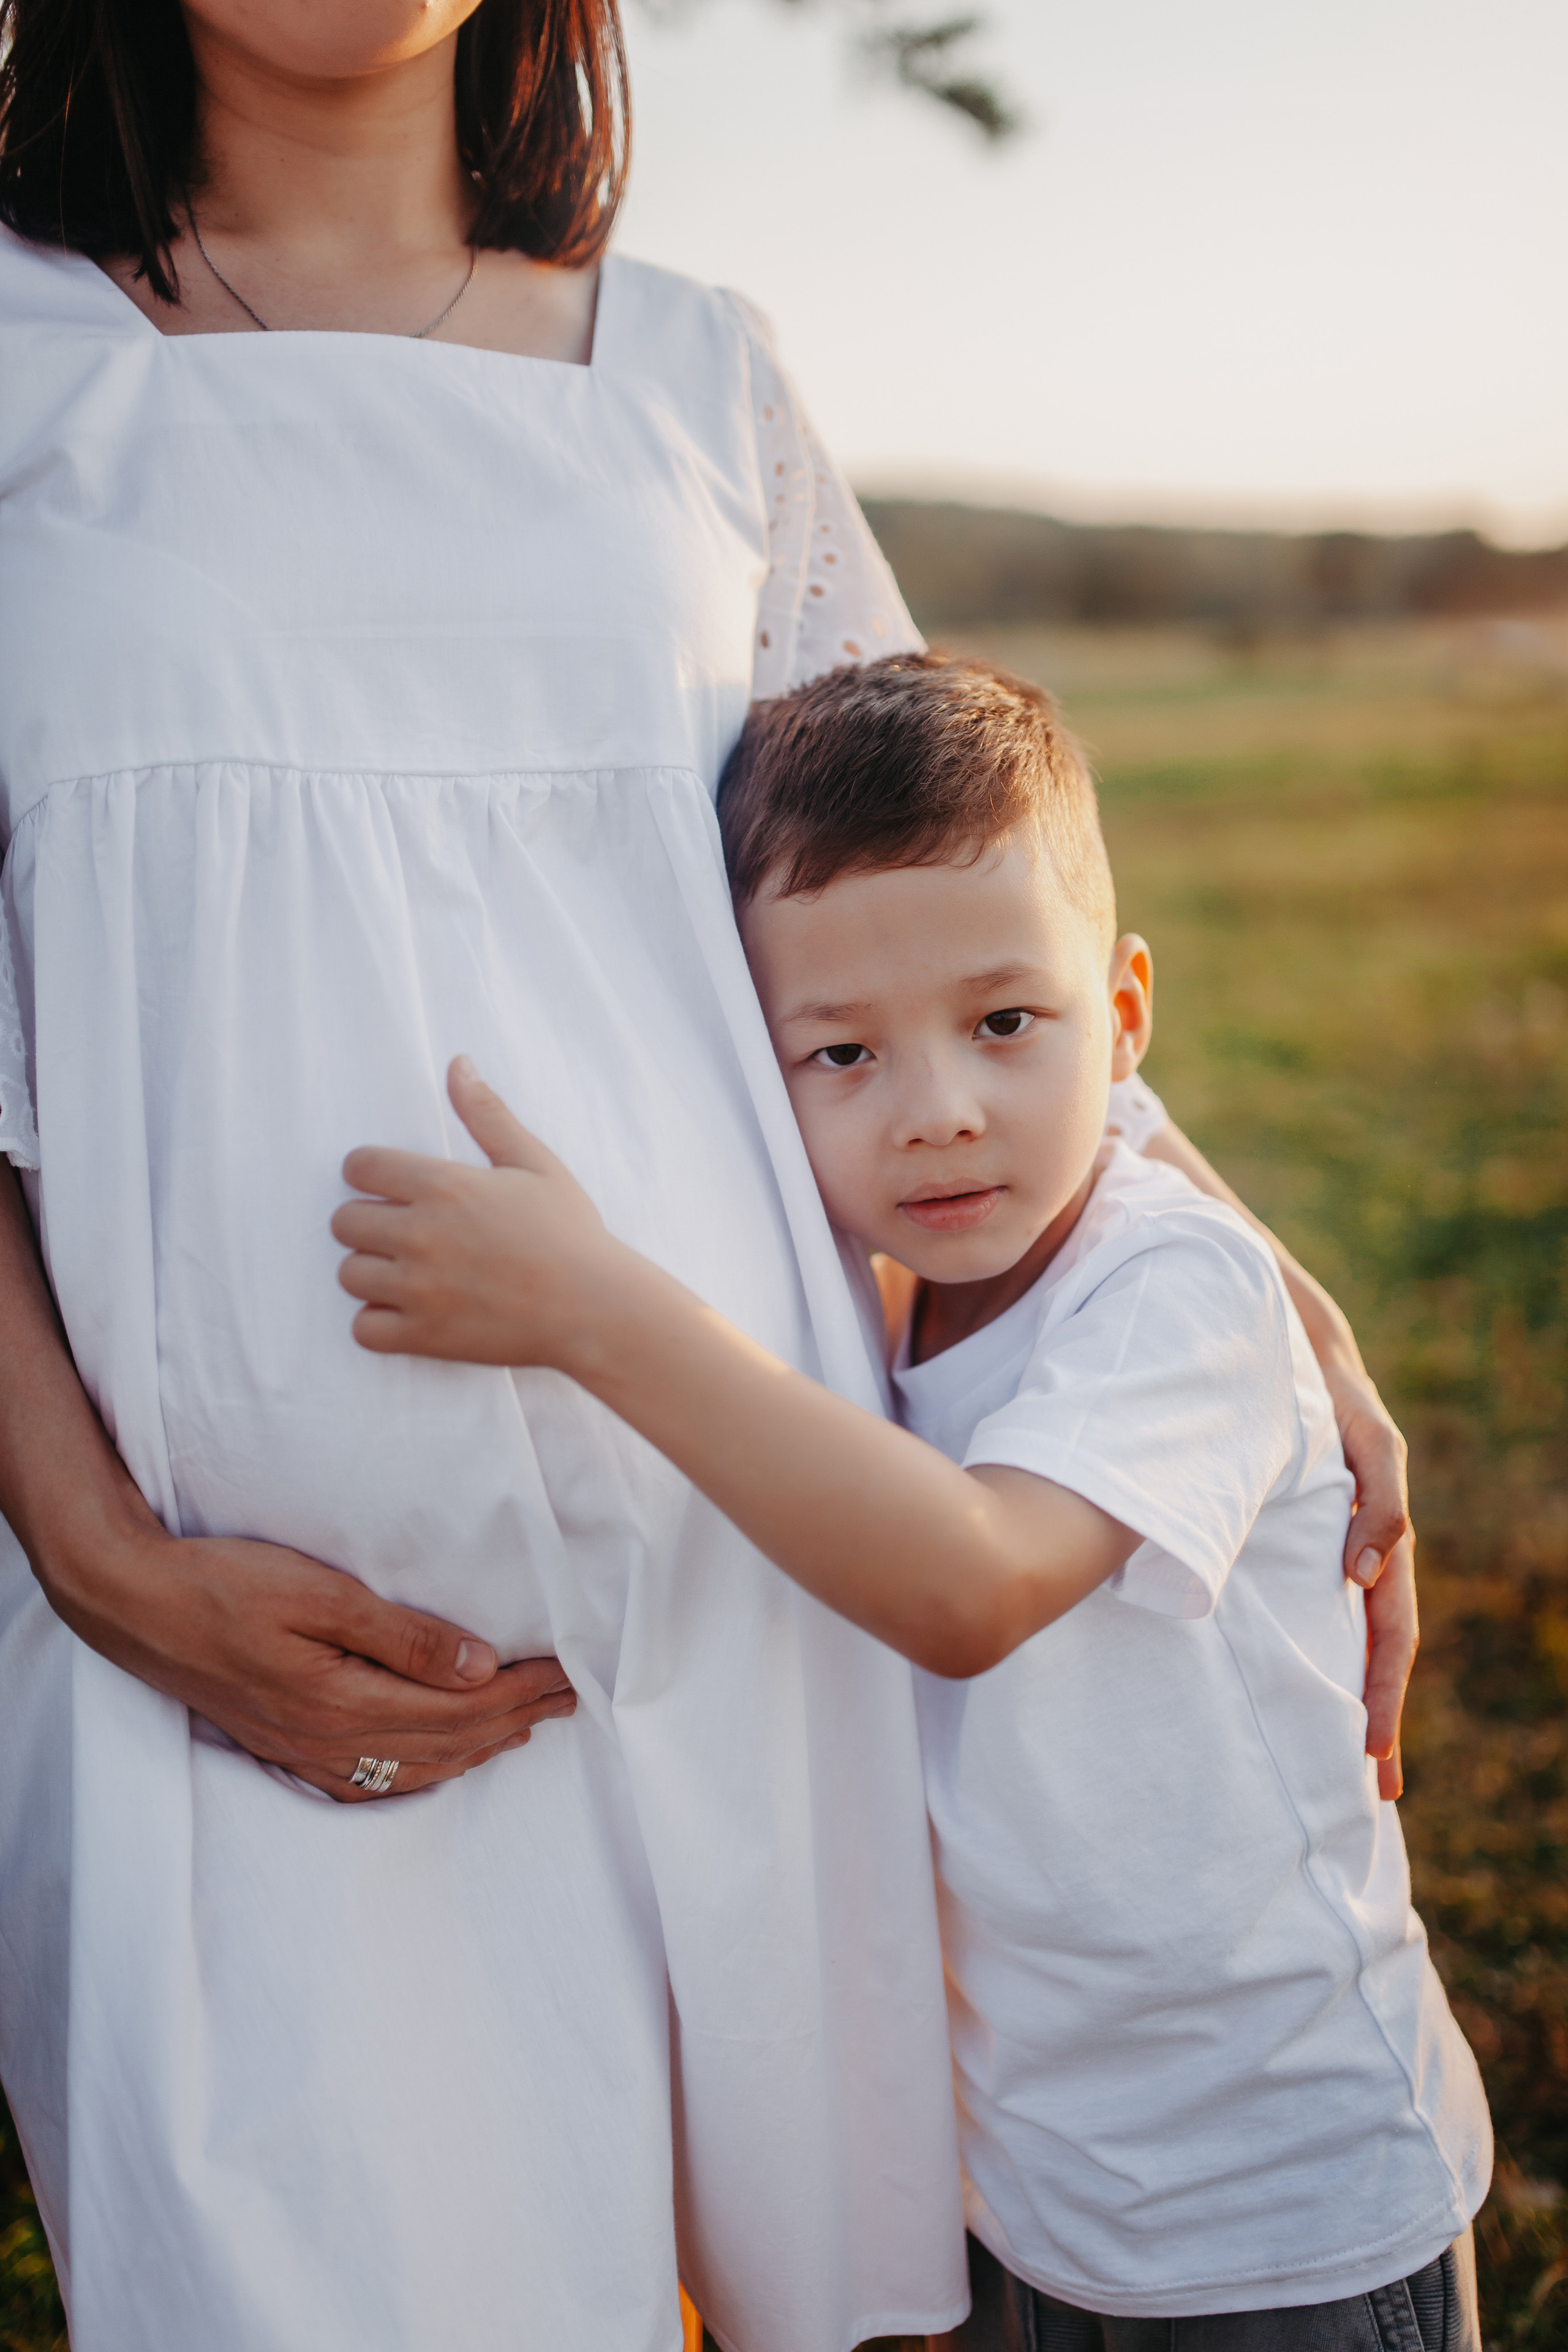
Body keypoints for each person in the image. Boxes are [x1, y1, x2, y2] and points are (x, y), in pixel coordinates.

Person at [0, 4, 1416, 2346]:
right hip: (228, 1679)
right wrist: (95, 1551)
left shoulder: (694, 379)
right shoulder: (22, 361)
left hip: (762, 1630)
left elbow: (951, 911)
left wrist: (1249, 1266)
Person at [336, 655, 1488, 2348]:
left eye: (1006, 1023)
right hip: (1042, 2188)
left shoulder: (1175, 1293)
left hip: (1275, 2198)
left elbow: (971, 1582)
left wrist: (590, 1307)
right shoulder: (875, 1303)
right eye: (843, 1053)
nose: (939, 1110)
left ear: (1129, 1009)